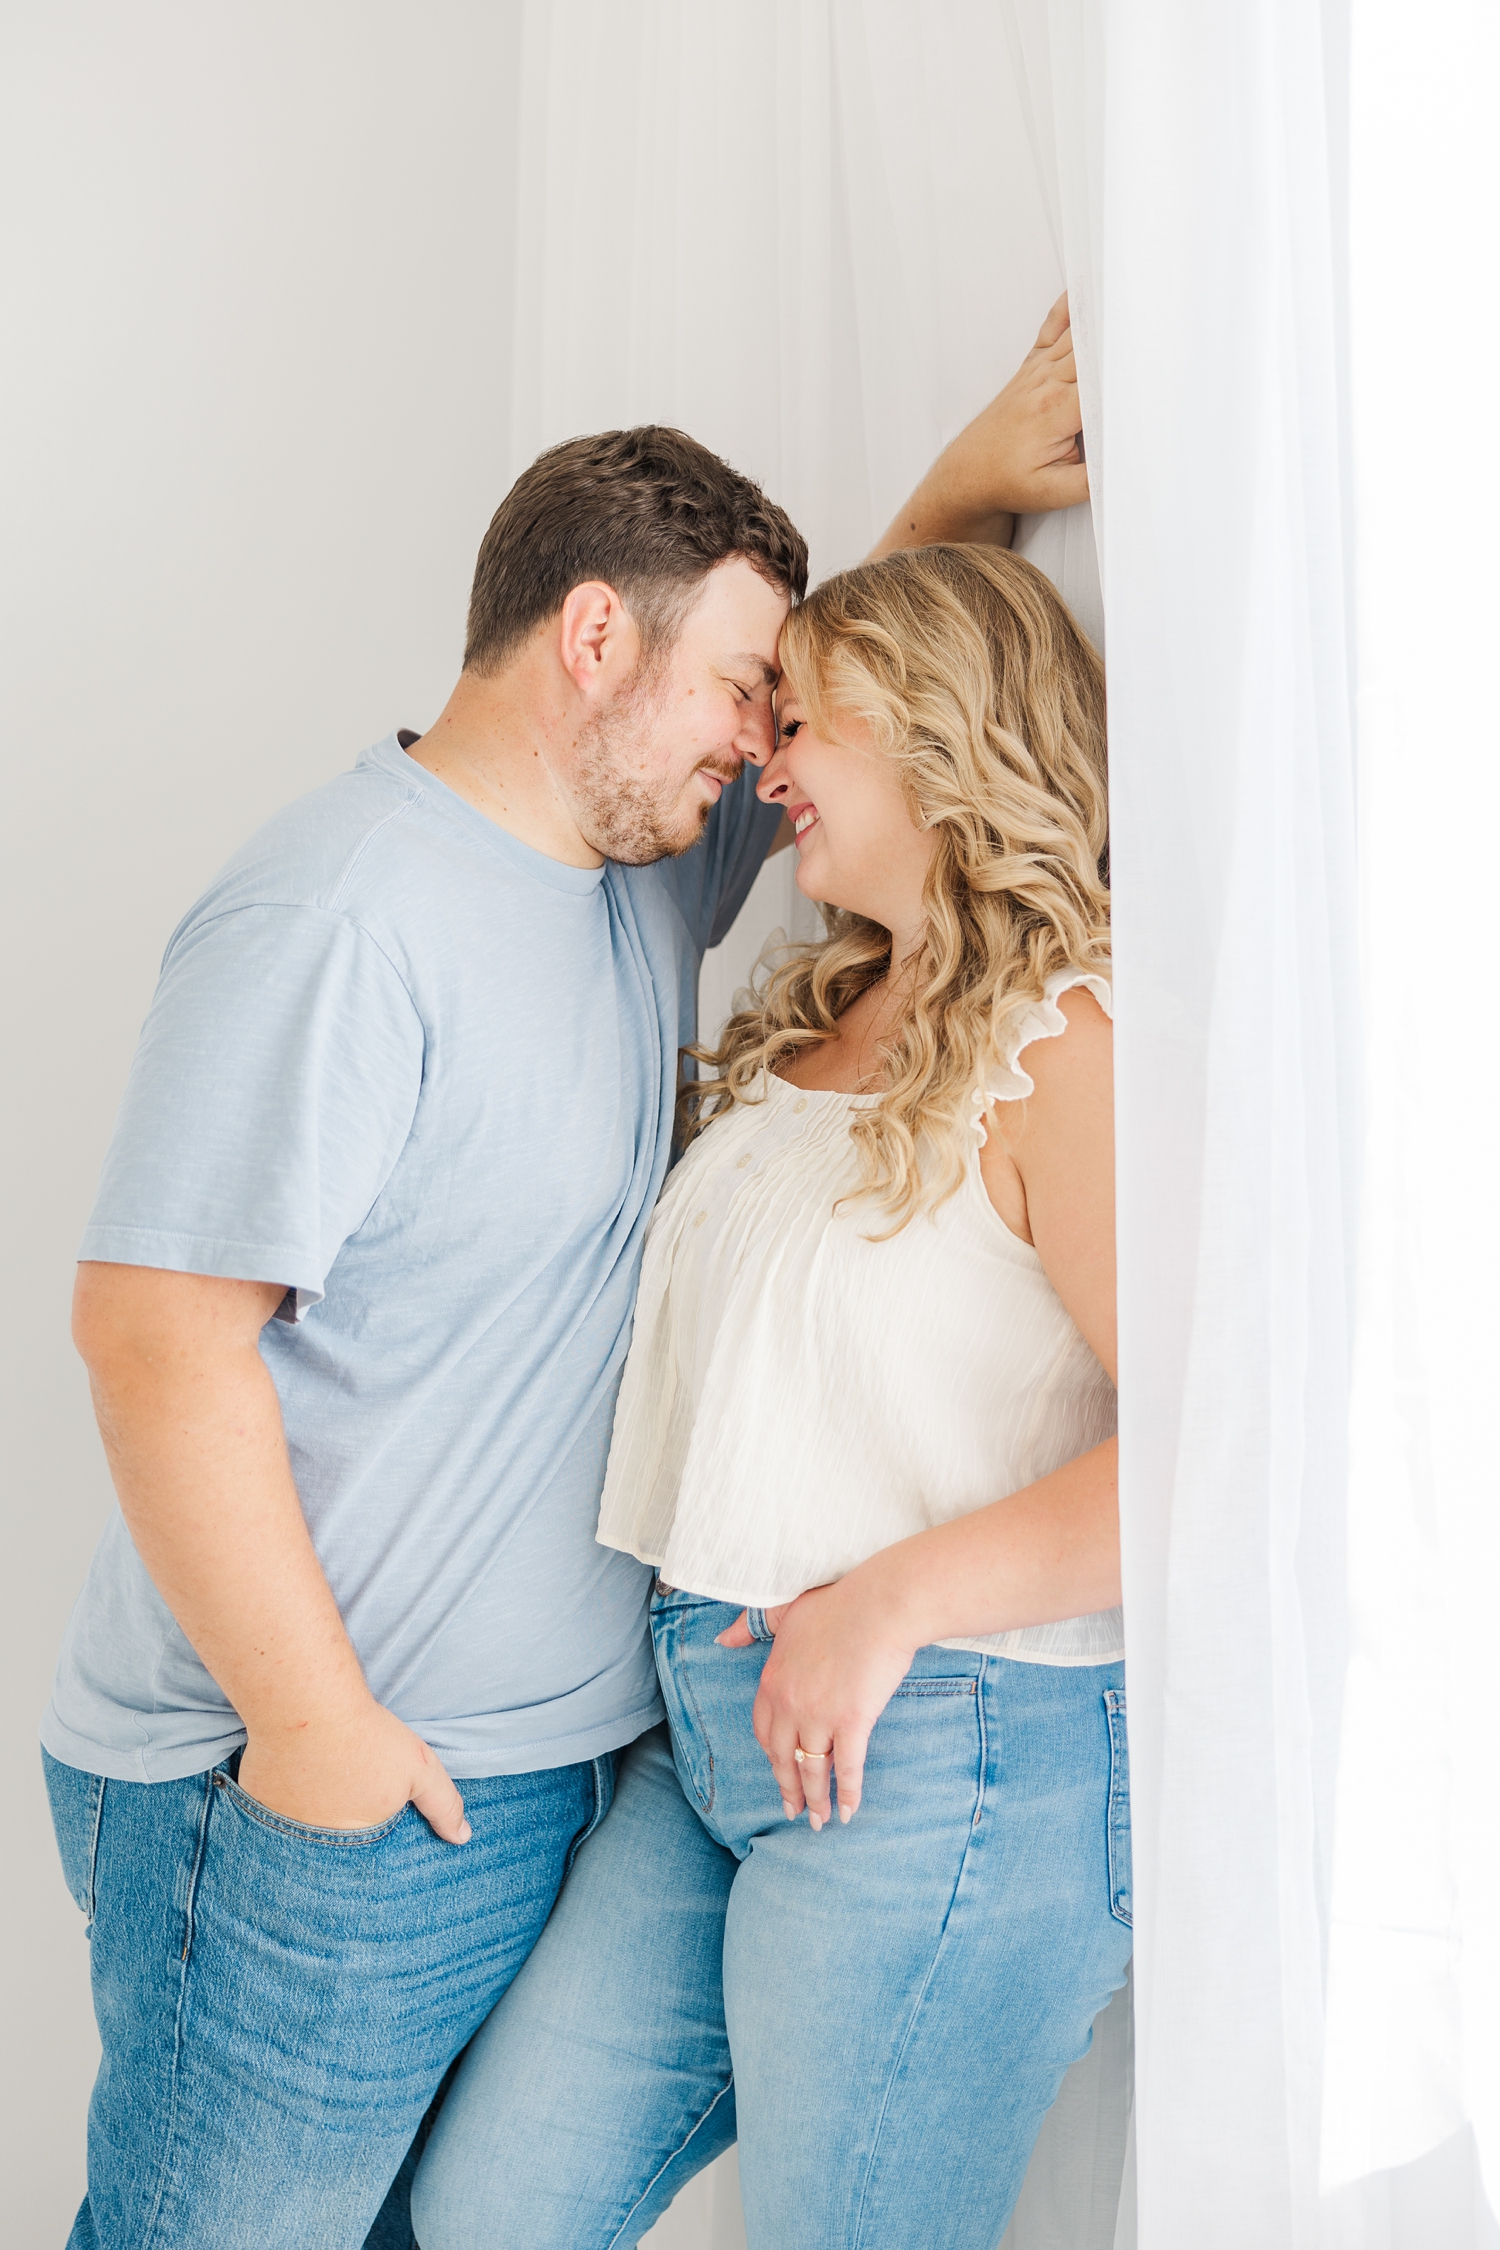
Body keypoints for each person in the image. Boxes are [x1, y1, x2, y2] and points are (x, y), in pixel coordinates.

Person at [40, 298, 1089, 2249]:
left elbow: (890, 754)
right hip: (317, 1792)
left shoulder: (632, 871)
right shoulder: (340, 918)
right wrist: (318, 1737)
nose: (769, 748)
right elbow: (153, 1342)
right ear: (594, 641)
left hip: (544, 1778)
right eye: (746, 690)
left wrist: (966, 484)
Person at [411, 534, 1125, 2250]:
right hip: (715, 1725)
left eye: (803, 724)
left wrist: (886, 1604)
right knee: (491, 2213)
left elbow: (1212, 1463)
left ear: (939, 732)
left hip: (945, 1753)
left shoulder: (1067, 1046)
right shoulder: (809, 1013)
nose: (766, 763)